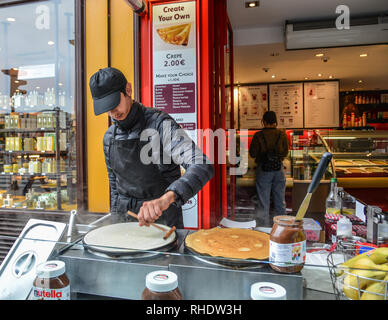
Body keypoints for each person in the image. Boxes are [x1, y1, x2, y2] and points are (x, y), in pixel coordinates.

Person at [89, 67, 214, 228]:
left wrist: (166, 199)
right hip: (125, 222)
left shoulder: (160, 124)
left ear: (128, 89)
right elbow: (114, 189)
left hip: (162, 221)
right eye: (106, 108)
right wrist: (114, 225)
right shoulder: (109, 138)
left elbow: (202, 165)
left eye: (114, 103)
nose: (112, 112)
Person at [249, 111, 289, 217]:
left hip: (263, 170)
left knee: (263, 203)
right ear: (275, 121)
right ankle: (282, 229)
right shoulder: (282, 134)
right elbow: (285, 153)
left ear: (264, 121)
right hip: (278, 169)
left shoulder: (258, 136)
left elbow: (252, 154)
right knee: (280, 203)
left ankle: (263, 229)